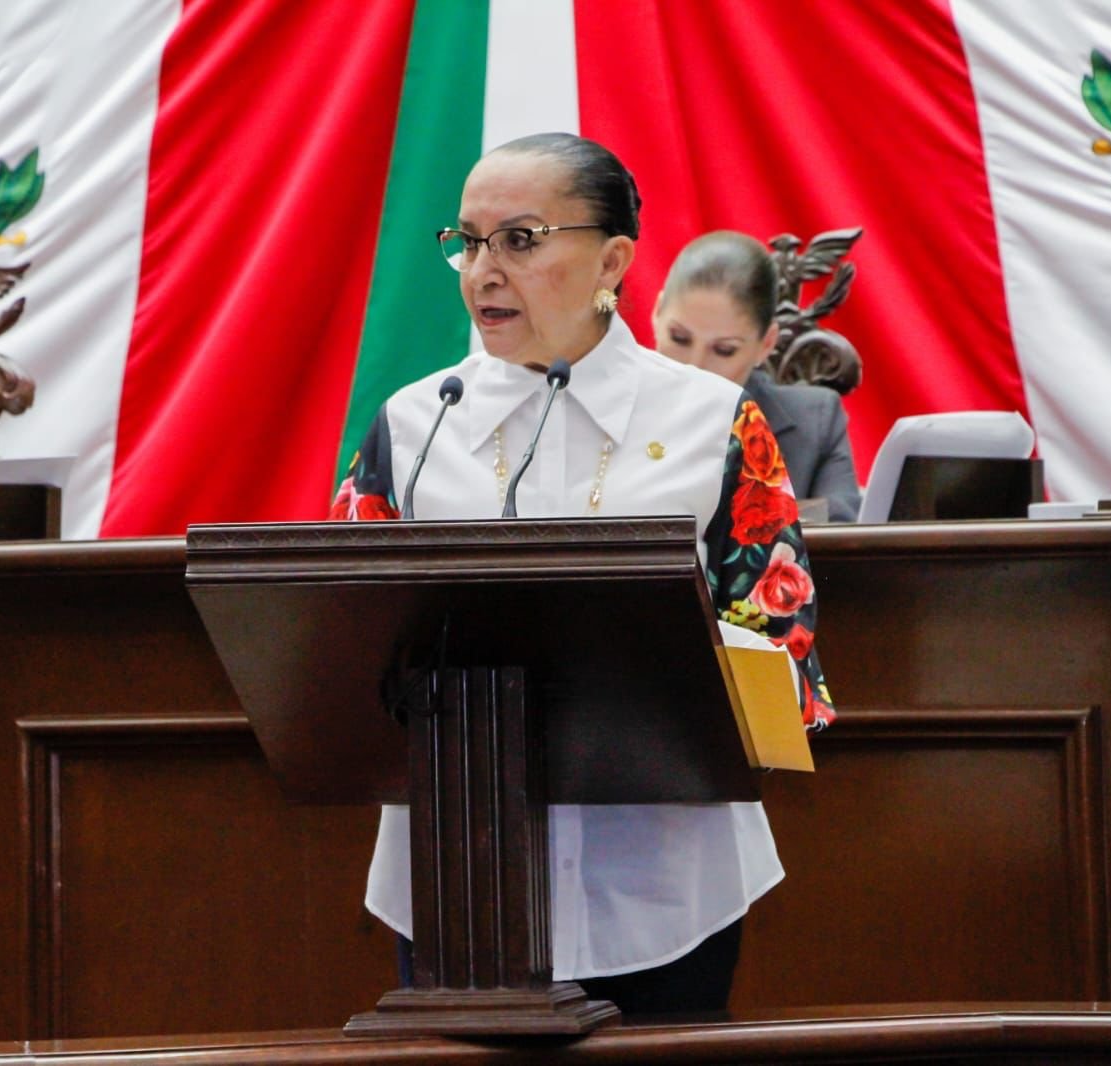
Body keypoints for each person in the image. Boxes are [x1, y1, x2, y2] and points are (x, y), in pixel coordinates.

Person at [330, 132, 834, 1015]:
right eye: (466, 242)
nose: (483, 271)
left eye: (519, 240)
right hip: (457, 879)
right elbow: (336, 651)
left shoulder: (713, 421)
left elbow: (781, 651)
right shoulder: (412, 427)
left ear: (612, 260)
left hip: (666, 884)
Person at [651, 231, 861, 522]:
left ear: (766, 344)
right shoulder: (606, 405)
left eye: (724, 350)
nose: (694, 366)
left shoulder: (814, 422)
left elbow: (839, 533)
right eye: (679, 338)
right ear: (657, 313)